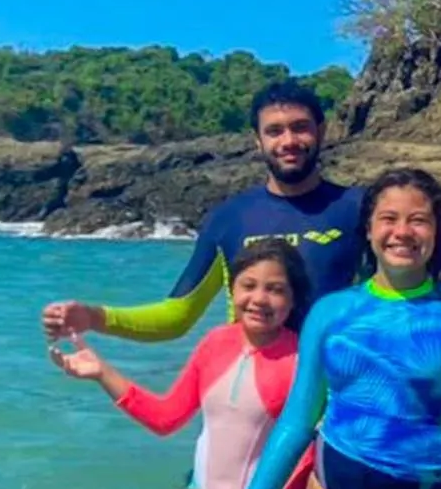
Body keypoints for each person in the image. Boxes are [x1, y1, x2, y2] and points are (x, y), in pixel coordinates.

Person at [242, 168, 441, 489]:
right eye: (388, 219)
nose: (402, 232)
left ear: (438, 232)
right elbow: (299, 418)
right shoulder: (329, 312)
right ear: (368, 229)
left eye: (419, 220)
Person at [41, 79, 361, 344]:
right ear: (257, 141)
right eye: (274, 131)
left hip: (341, 402)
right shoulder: (229, 219)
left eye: (300, 128)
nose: (288, 141)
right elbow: (178, 316)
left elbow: (403, 300)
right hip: (253, 401)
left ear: (321, 131)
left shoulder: (360, 210)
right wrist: (94, 317)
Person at [52, 238, 315, 489]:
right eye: (248, 285)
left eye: (276, 290)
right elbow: (165, 419)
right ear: (232, 289)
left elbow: (305, 451)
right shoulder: (215, 343)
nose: (259, 298)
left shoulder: (302, 360)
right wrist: (101, 372)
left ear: (293, 298)